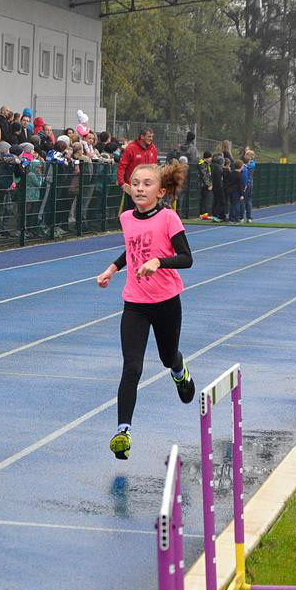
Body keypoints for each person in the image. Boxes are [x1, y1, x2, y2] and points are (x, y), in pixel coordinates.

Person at [96, 161, 196, 460]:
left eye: (147, 184)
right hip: (135, 304)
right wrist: (112, 268)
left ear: (160, 191)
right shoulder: (126, 218)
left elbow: (187, 258)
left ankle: (179, 371)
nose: (139, 188)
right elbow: (132, 248)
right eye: (135, 182)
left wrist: (158, 262)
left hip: (166, 302)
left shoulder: (169, 218)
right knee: (132, 367)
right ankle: (122, 432)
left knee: (167, 357)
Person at [197, 151, 214, 220]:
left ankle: (204, 214)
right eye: (210, 157)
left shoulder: (205, 164)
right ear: (207, 157)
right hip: (203, 185)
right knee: (205, 199)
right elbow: (204, 175)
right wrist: (209, 184)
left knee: (205, 199)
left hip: (203, 184)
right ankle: (203, 214)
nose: (211, 159)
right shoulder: (202, 164)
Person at [241, 149, 256, 222]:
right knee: (245, 200)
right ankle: (243, 217)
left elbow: (248, 167)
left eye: (246, 154)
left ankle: (248, 217)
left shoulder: (251, 164)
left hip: (248, 183)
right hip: (247, 183)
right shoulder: (247, 164)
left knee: (246, 200)